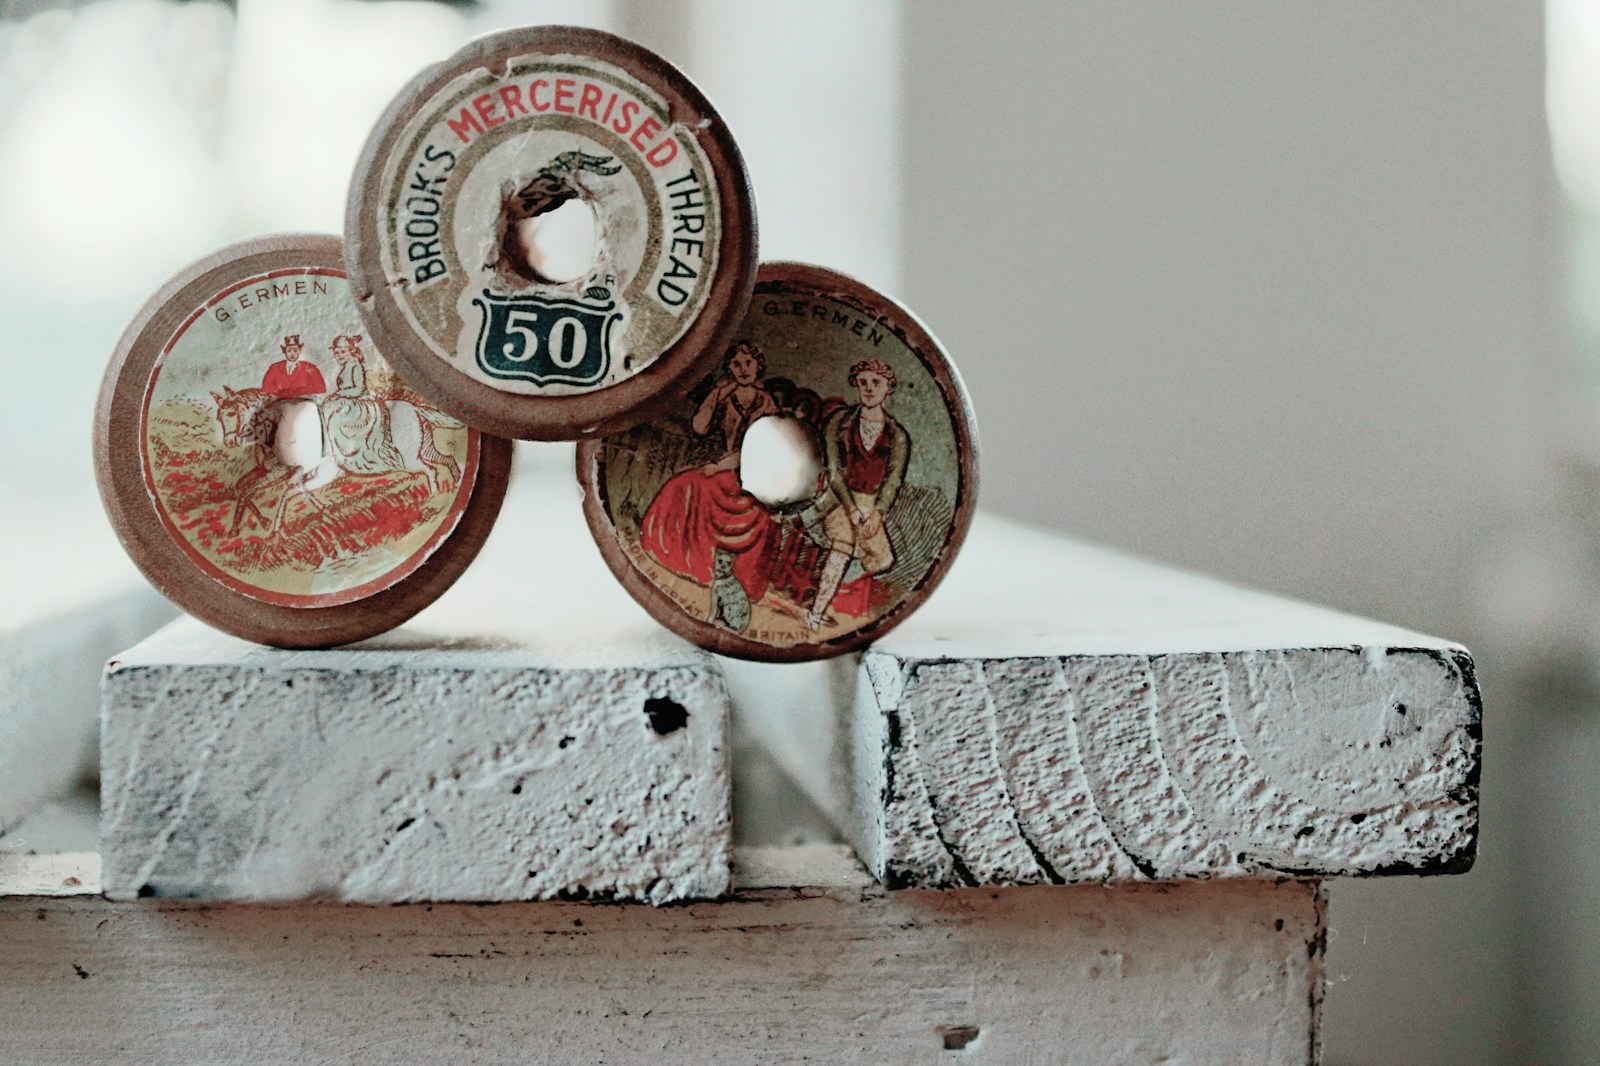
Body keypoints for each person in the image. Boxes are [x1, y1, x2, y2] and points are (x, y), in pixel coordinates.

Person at [639, 341, 780, 624]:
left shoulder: (767, 402)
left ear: (758, 366)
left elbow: (763, 444)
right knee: (681, 485)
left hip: (751, 472)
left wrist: (720, 465)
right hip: (724, 470)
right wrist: (716, 394)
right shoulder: (724, 395)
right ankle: (681, 559)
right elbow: (699, 427)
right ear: (728, 367)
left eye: (748, 363)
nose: (742, 370)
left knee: (713, 486)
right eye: (736, 364)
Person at [805, 358, 910, 630]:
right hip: (841, 499)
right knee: (841, 548)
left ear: (889, 388)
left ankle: (829, 601)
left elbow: (893, 479)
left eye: (876, 383)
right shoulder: (839, 422)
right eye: (863, 382)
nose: (869, 388)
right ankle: (815, 613)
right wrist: (852, 508)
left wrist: (878, 511)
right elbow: (834, 472)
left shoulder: (897, 434)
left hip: (872, 503)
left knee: (881, 559)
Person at [260, 334, 326, 398]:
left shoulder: (309, 367)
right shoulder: (275, 367)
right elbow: (265, 388)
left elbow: (320, 387)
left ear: (299, 351)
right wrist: (281, 391)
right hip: (280, 404)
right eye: (289, 351)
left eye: (295, 350)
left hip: (303, 403)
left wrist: (299, 391)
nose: (292, 354)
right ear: (284, 351)